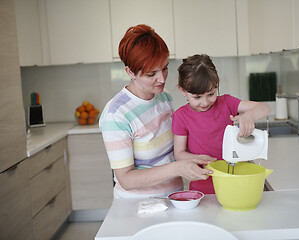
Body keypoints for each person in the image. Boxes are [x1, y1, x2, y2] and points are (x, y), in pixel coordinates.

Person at [99, 25, 215, 198]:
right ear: (130, 72)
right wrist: (177, 168)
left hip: (174, 197)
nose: (161, 79)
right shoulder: (116, 114)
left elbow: (176, 148)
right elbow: (126, 180)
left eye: (165, 68)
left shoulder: (164, 98)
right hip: (138, 205)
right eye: (152, 73)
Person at [172, 54, 271, 194]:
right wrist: (197, 158)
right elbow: (179, 153)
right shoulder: (181, 116)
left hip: (234, 182)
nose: (205, 102)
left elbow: (264, 108)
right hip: (202, 187)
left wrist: (249, 116)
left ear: (216, 86)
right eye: (197, 97)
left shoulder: (227, 103)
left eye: (211, 94)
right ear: (182, 91)